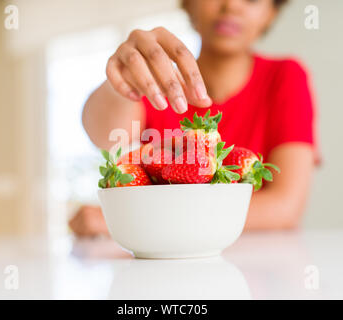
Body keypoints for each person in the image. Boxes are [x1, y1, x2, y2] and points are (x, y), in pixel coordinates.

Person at [70, 0, 318, 237]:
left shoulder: (286, 77)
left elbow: (285, 207)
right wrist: (122, 82)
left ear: (271, 14)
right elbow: (103, 134)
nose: (231, 4)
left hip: (263, 266)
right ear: (189, 3)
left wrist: (134, 219)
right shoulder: (156, 83)